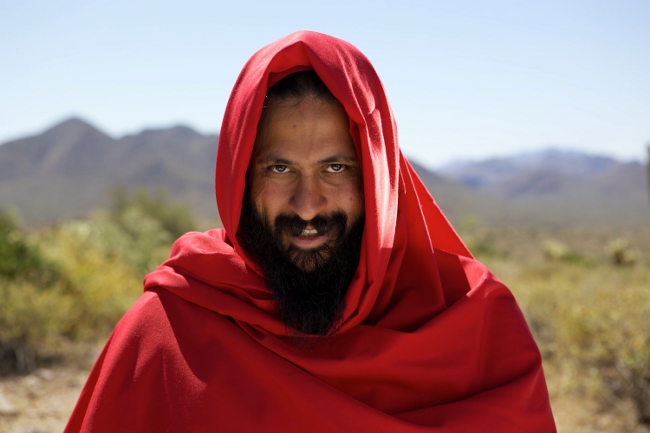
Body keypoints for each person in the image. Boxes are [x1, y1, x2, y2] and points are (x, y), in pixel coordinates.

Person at [65, 31, 556, 432]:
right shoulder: (167, 334)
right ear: (240, 179)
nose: (307, 206)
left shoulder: (476, 327)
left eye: (335, 168)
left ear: (377, 178)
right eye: (279, 169)